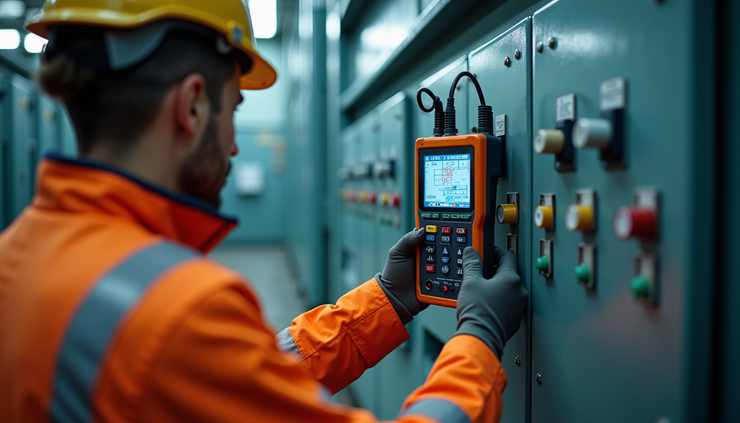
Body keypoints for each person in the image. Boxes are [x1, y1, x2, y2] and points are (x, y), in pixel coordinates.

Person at [0, 1, 528, 422]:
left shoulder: (20, 252)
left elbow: (242, 381)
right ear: (192, 106)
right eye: (233, 110)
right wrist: (479, 337)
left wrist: (386, 299)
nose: (233, 145)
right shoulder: (177, 309)